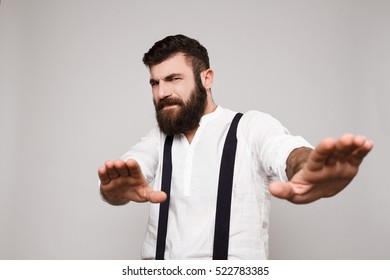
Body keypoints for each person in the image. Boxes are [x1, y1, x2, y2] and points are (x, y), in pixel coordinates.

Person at [98, 34, 373, 259]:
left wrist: (306, 167)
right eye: (154, 82)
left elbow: (285, 150)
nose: (161, 92)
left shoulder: (250, 127)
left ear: (207, 78)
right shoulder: (157, 139)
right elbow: (130, 171)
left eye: (173, 79)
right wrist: (114, 191)